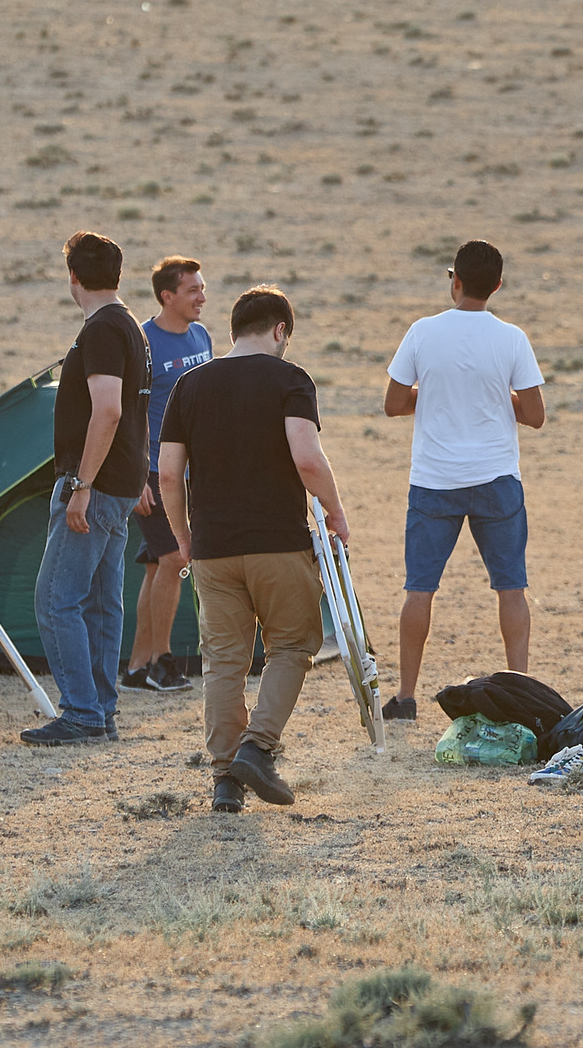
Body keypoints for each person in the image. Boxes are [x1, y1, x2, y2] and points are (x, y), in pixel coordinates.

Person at [155, 285, 352, 813]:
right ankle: (257, 747)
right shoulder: (291, 379)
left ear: (234, 330)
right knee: (292, 646)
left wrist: (183, 538)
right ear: (280, 330)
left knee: (224, 663)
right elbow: (308, 459)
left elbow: (169, 474)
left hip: (213, 549)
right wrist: (335, 510)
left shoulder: (190, 385)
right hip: (278, 544)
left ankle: (225, 780)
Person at [380, 239, 545, 722]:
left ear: (455, 280)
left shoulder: (422, 332)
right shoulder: (512, 337)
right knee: (511, 587)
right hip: (496, 477)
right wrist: (500, 399)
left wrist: (428, 396)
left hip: (435, 479)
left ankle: (407, 695)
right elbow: (534, 415)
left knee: (420, 588)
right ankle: (520, 689)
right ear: (497, 285)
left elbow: (392, 403)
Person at [25, 233, 153, 746]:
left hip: (97, 486)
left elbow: (110, 409)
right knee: (102, 602)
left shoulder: (101, 330)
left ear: (73, 277)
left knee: (57, 601)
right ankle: (99, 710)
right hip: (121, 482)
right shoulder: (132, 328)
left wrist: (81, 484)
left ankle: (82, 711)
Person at [123, 255, 209, 694]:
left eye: (202, 287)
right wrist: (136, 475)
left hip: (193, 471)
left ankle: (137, 669)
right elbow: (126, 414)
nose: (202, 297)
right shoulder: (143, 342)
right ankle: (162, 661)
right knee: (176, 558)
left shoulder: (202, 336)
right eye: (192, 290)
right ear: (167, 296)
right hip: (154, 471)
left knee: (159, 564)